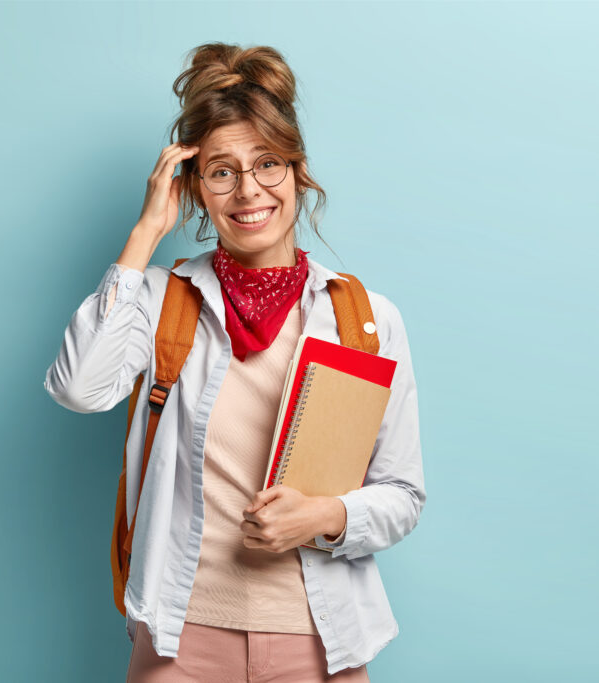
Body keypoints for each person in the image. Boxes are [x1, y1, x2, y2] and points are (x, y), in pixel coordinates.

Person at [44, 42, 426, 682]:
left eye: (268, 164)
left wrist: (327, 516)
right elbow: (79, 388)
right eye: (221, 171)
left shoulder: (363, 319)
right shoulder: (167, 299)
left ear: (299, 172)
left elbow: (402, 494)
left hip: (320, 642)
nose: (249, 190)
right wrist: (144, 237)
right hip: (180, 645)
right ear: (195, 186)